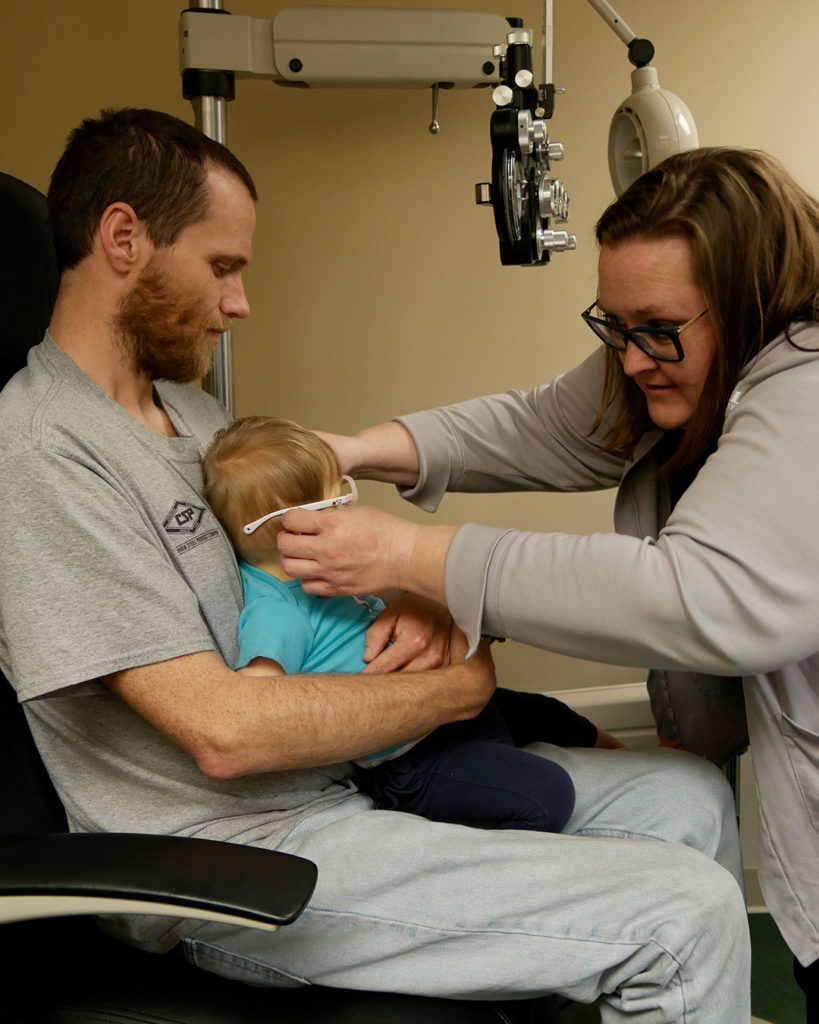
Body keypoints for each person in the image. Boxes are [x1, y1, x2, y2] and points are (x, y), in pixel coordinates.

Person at [0, 108, 750, 1023]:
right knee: (686, 914)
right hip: (234, 854)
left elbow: (298, 577)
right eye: (223, 267)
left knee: (685, 792)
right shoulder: (43, 451)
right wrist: (458, 687)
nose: (240, 304)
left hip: (345, 787)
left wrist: (415, 605)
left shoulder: (190, 416)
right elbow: (223, 732)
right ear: (124, 238)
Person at [275, 146, 819, 1017]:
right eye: (614, 325)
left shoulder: (807, 389)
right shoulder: (676, 357)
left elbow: (697, 594)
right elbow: (544, 424)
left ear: (752, 302)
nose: (634, 358)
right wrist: (351, 450)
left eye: (657, 329)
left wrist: (415, 559)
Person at [202, 414, 625, 834]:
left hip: (442, 713)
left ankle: (636, 762)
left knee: (548, 713)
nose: (352, 505)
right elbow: (258, 697)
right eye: (340, 497)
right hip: (410, 759)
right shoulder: (276, 611)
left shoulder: (322, 571)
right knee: (546, 795)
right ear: (292, 521)